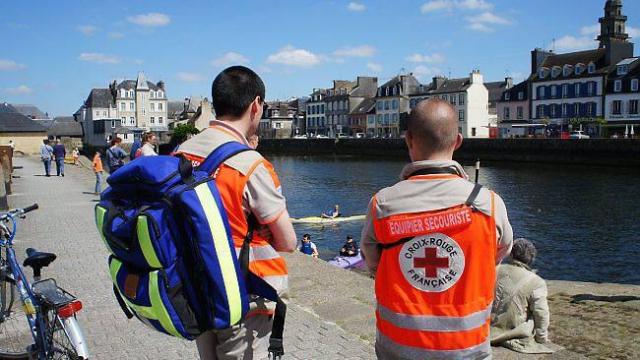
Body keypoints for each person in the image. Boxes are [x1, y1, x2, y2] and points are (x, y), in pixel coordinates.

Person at [360, 98, 513, 360]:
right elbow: (498, 253)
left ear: (408, 140)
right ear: (458, 141)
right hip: (468, 348)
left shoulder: (382, 204)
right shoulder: (489, 203)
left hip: (398, 348)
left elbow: (372, 263)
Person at [175, 66, 297, 359]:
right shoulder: (250, 165)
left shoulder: (181, 152)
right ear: (256, 105)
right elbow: (288, 242)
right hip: (241, 294)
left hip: (195, 285)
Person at [491, 238, 552, 354]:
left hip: (487, 326)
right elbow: (541, 313)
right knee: (535, 313)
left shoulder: (494, 270)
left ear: (511, 255)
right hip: (513, 330)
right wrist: (541, 337)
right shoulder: (537, 282)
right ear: (531, 259)